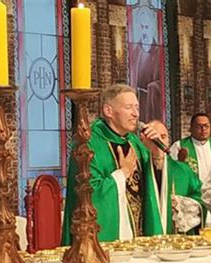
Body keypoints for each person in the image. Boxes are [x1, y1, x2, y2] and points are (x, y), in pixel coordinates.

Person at [62, 84, 161, 245]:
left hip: (138, 236)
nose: (135, 114)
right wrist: (122, 174)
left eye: (137, 107)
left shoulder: (134, 141)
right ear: (108, 111)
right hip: (107, 242)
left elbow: (152, 186)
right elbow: (88, 195)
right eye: (128, 107)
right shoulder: (88, 143)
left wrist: (156, 154)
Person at [142, 120, 205, 234]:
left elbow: (203, 195)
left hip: (180, 241)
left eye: (163, 136)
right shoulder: (137, 169)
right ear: (143, 141)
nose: (159, 140)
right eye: (154, 137)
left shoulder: (183, 170)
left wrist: (184, 204)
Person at [129, 4, 162, 122]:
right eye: (141, 27)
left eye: (147, 27)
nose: (144, 32)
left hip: (151, 102)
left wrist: (153, 87)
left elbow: (162, 82)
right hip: (137, 100)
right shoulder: (135, 50)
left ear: (153, 29)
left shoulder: (159, 52)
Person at [170, 113, 211, 183]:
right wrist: (180, 161)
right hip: (190, 190)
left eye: (206, 126)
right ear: (191, 128)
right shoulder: (178, 146)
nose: (203, 129)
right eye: (199, 126)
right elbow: (170, 171)